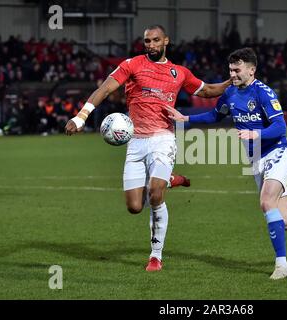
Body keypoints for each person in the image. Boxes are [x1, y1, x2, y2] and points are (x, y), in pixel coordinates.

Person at [167, 48, 287, 280]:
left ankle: (282, 265)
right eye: (230, 69)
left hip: (278, 153)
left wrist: (255, 133)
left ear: (251, 70)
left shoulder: (264, 93)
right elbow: (216, 115)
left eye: (237, 70)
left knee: (266, 202)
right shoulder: (230, 93)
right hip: (256, 161)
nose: (232, 74)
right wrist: (186, 119)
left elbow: (280, 127)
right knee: (286, 221)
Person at [65, 25, 230, 271]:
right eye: (147, 41)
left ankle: (155, 255)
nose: (151, 45)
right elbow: (106, 88)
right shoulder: (132, 65)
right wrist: (81, 116)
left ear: (166, 41)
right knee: (134, 207)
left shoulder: (179, 72)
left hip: (163, 138)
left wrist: (233, 81)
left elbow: (207, 90)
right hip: (136, 142)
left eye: (155, 40)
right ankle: (169, 179)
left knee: (154, 193)